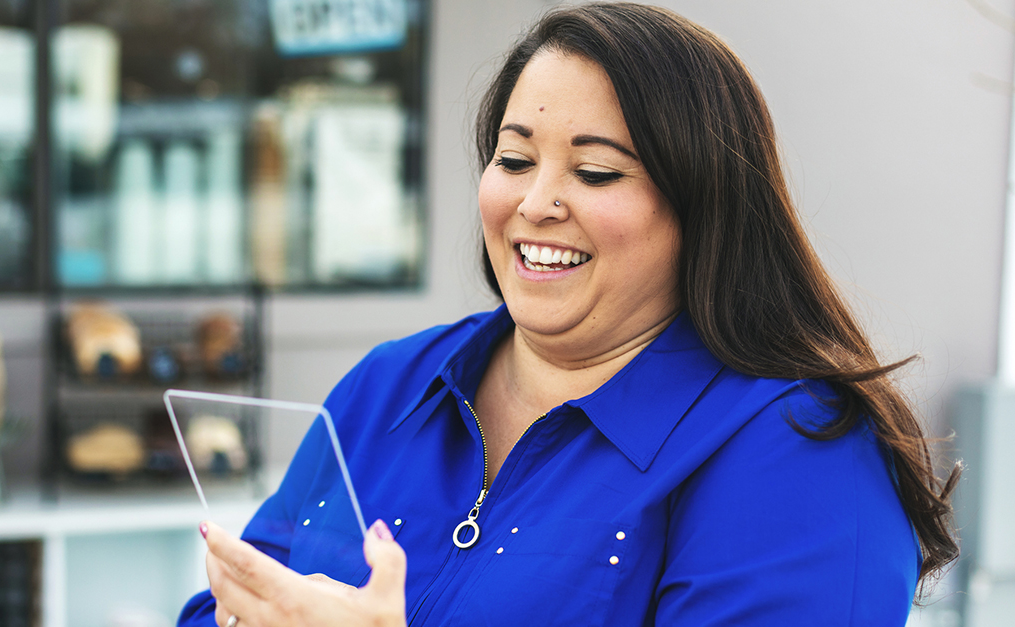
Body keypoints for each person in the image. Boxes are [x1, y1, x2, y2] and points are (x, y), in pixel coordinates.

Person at [179, 3, 960, 626]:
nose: (535, 202)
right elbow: (234, 598)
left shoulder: (797, 455)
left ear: (703, 205)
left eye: (593, 171)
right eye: (514, 160)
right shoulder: (387, 387)